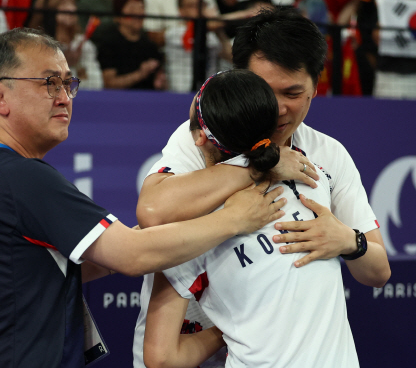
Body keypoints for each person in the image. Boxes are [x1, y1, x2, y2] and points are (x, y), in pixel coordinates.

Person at [0, 27, 291, 367]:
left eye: (68, 83)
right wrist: (234, 218)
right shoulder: (20, 177)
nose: (63, 97)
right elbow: (133, 257)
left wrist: (148, 235)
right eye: (49, 83)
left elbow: (38, 272)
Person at [133, 6, 391, 367]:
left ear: (316, 86)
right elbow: (153, 209)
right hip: (191, 339)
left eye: (292, 92)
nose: (278, 109)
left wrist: (348, 240)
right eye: (264, 91)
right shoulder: (206, 137)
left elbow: (378, 271)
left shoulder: (328, 155)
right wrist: (261, 166)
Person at [143, 69, 357, 368]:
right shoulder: (314, 178)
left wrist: (226, 332)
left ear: (198, 137)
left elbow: (161, 359)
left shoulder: (186, 232)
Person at [28, 0, 103, 90]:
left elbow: (96, 85)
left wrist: (77, 66)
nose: (71, 9)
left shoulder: (85, 45)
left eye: (72, 4)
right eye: (63, 4)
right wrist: (63, 61)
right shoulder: (36, 45)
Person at [96, 0, 165, 90]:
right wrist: (140, 74)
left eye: (141, 7)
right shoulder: (109, 44)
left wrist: (160, 81)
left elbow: (161, 83)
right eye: (132, 9)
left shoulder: (150, 46)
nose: (138, 13)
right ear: (118, 16)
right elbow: (109, 83)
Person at [164, 0, 232, 92]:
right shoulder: (173, 33)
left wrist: (219, 31)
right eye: (193, 6)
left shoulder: (213, 36)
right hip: (179, 94)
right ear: (181, 10)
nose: (198, 10)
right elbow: (194, 33)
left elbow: (231, 56)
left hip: (209, 95)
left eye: (201, 5)